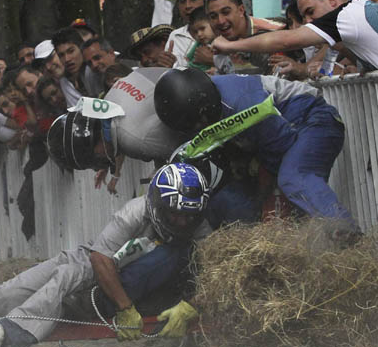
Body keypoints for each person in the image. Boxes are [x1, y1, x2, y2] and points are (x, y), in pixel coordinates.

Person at [0, 162, 211, 347]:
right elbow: (99, 257)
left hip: (137, 286)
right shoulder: (134, 211)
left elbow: (215, 274)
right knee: (9, 291)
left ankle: (10, 330)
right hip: (102, 266)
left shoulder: (201, 229)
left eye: (189, 216)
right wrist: (125, 308)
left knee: (64, 278)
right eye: (174, 214)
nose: (182, 222)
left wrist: (190, 306)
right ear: (157, 204)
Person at [153, 67, 357, 232]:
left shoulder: (243, 105)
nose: (199, 127)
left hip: (312, 121)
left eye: (200, 122)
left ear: (204, 108)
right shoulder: (205, 95)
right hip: (284, 133)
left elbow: (283, 147)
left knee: (294, 177)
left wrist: (265, 195)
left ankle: (345, 232)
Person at [211, 0, 378, 72]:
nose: (308, 22)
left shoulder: (347, 15)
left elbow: (285, 41)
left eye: (310, 12)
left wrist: (229, 46)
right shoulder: (368, 12)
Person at [206, 0, 285, 74]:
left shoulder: (272, 32)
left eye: (226, 12)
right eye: (213, 17)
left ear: (241, 10)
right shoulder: (216, 41)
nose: (220, 21)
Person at [51, 27, 104, 105]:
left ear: (81, 48)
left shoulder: (96, 68)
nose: (67, 59)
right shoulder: (64, 82)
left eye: (71, 51)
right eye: (61, 55)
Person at [167, 0, 209, 68]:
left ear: (206, 1)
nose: (187, 6)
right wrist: (166, 65)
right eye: (182, 1)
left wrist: (214, 60)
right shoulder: (175, 36)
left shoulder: (220, 32)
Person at [187, 7, 234, 75]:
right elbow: (188, 58)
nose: (199, 34)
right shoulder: (198, 44)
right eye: (196, 32)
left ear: (213, 24)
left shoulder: (223, 43)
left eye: (202, 29)